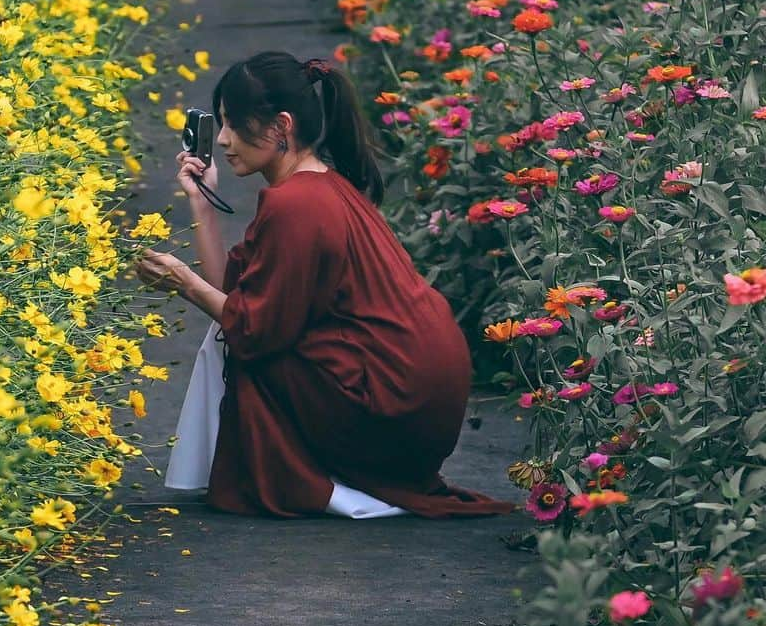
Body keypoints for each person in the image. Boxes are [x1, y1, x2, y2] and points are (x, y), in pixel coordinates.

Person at [133, 50, 515, 520]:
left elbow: (251, 329)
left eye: (234, 125)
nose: (226, 141)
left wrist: (183, 282)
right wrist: (202, 199)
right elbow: (234, 297)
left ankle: (311, 482)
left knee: (249, 348)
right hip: (417, 396)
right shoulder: (318, 186)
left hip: (394, 407)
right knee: (236, 328)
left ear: (281, 126)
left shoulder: (298, 204)